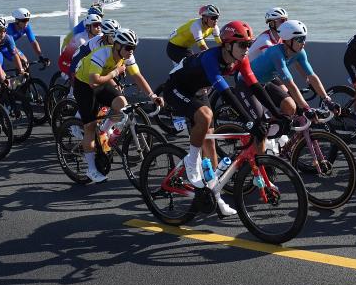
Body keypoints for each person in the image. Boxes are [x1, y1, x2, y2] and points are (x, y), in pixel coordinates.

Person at [162, 20, 274, 215]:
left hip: (198, 92)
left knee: (210, 145)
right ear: (228, 45)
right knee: (205, 116)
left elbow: (255, 86)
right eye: (243, 45)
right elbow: (226, 93)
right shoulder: (211, 58)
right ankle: (191, 162)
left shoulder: (241, 59)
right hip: (176, 89)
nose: (247, 49)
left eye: (249, 44)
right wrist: (249, 122)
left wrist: (277, 114)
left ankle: (214, 195)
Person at [73, 29, 162, 183]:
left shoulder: (127, 56)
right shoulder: (101, 54)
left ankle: (105, 130)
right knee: (90, 127)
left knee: (122, 105)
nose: (131, 51)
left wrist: (152, 96)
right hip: (85, 84)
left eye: (134, 47)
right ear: (117, 46)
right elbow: (94, 81)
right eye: (128, 47)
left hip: (102, 81)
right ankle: (91, 170)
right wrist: (115, 72)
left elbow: (137, 76)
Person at [249, 19, 332, 118]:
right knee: (259, 120)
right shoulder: (276, 53)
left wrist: (327, 100)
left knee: (290, 106)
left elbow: (312, 76)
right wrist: (306, 108)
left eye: (304, 38)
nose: (303, 43)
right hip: (248, 83)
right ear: (288, 40)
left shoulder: (300, 52)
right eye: (300, 39)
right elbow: (290, 84)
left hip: (266, 82)